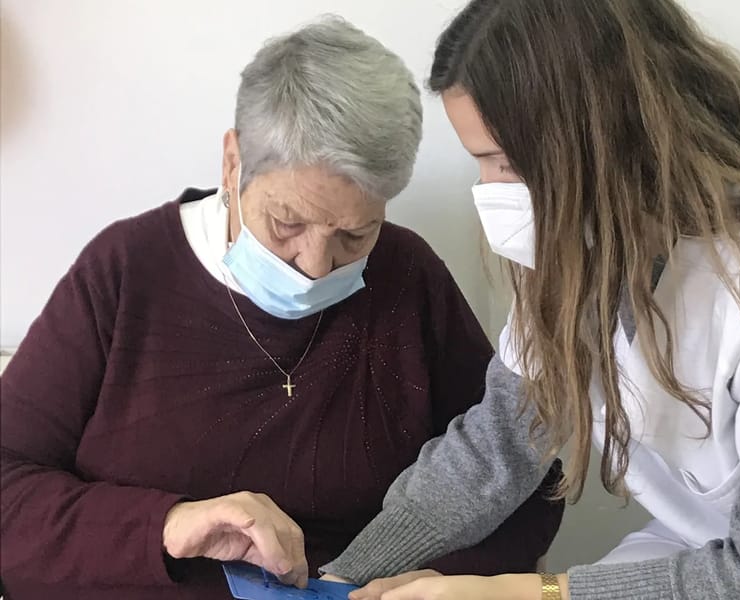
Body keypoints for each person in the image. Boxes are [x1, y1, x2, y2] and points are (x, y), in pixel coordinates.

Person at [0, 16, 565, 600]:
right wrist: (167, 525)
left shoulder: (407, 278)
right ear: (232, 163)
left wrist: (440, 581)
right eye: (286, 223)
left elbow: (524, 479)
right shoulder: (124, 273)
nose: (316, 264)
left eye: (354, 235)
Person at [319, 1, 740, 599]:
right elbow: (496, 446)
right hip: (703, 547)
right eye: (481, 163)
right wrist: (343, 577)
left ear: (606, 137)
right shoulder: (580, 258)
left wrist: (526, 592)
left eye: (509, 163)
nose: (490, 193)